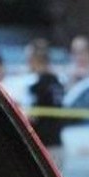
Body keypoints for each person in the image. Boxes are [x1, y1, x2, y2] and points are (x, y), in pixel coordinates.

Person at [25, 38, 65, 166]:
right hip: (57, 144)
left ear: (35, 59)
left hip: (44, 147)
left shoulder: (38, 87)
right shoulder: (57, 83)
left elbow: (33, 118)